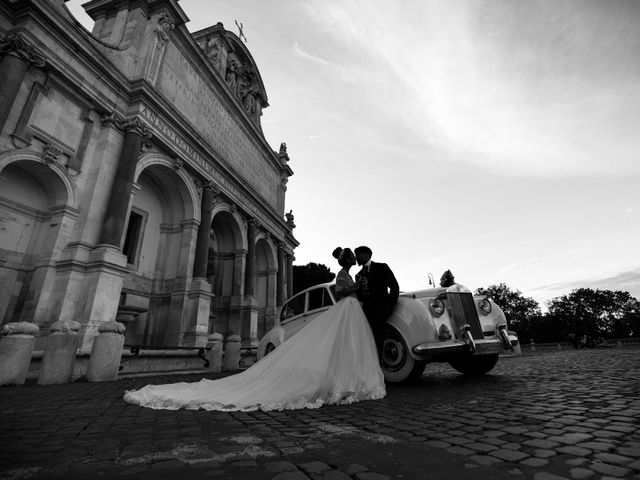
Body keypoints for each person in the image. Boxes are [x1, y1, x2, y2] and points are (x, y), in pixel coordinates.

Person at [123, 247, 385, 412]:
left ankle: (348, 381)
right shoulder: (343, 276)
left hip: (352, 312)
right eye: (352, 258)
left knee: (345, 348)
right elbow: (340, 293)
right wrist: (355, 288)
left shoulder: (349, 274)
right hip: (346, 309)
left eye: (353, 258)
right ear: (347, 261)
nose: (353, 260)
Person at [354, 246, 400, 360]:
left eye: (357, 255)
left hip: (381, 311)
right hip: (366, 314)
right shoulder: (358, 275)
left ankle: (379, 373)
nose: (356, 258)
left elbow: (394, 287)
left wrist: (389, 307)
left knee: (378, 342)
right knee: (369, 343)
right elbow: (360, 296)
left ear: (366, 255)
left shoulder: (382, 267)